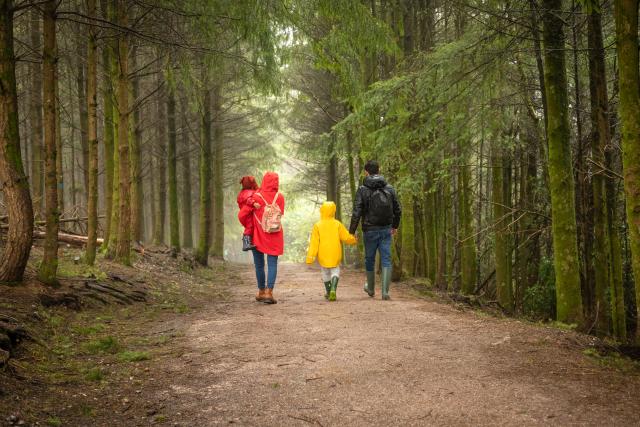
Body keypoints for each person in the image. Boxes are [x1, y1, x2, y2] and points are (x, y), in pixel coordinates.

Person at [349, 160, 401, 300]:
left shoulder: (362, 190)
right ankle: (385, 292)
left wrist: (352, 231)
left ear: (366, 172)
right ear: (379, 170)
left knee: (369, 259)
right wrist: (394, 226)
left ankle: (371, 289)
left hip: (369, 230)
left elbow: (357, 212)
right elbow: (397, 209)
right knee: (386, 259)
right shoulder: (389, 188)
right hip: (386, 229)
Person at [239, 172, 284, 304]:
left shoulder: (256, 197)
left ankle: (261, 291)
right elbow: (281, 213)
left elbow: (242, 215)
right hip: (275, 234)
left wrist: (247, 225)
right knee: (272, 263)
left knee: (259, 265)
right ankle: (269, 293)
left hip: (257, 235)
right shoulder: (279, 197)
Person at [306, 201, 357, 301]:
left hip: (323, 253)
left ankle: (328, 292)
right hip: (335, 252)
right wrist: (354, 239)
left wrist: (310, 257)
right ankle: (333, 289)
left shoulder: (317, 225)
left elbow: (314, 243)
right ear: (333, 211)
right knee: (335, 270)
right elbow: (346, 237)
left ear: (322, 211)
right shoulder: (337, 224)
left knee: (325, 272)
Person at [237, 175, 259, 252]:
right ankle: (246, 244)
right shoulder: (250, 192)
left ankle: (248, 242)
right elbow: (249, 199)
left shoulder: (241, 193)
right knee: (250, 227)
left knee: (249, 227)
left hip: (243, 213)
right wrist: (253, 203)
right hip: (247, 213)